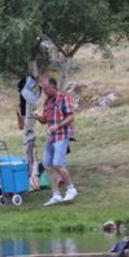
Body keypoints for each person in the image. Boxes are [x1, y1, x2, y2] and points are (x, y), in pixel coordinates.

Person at [35, 76, 78, 205]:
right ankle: (56, 195)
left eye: (46, 89)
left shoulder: (64, 97)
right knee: (47, 165)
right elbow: (45, 121)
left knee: (58, 163)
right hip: (51, 136)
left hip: (62, 134)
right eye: (43, 90)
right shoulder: (47, 102)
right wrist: (37, 117)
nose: (44, 92)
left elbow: (71, 116)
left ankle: (71, 189)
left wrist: (58, 126)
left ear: (53, 87)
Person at [17, 76, 41, 187]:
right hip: (30, 130)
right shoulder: (29, 102)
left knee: (31, 155)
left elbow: (21, 126)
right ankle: (33, 178)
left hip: (28, 131)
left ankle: (33, 178)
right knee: (32, 155)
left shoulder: (27, 103)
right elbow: (21, 125)